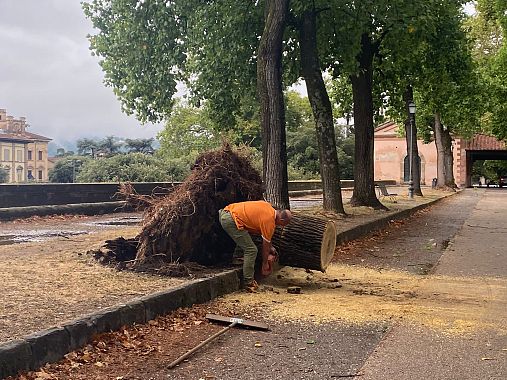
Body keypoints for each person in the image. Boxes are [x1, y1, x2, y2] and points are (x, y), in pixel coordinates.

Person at [219, 200, 292, 292]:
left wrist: (271, 247)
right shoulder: (269, 221)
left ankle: (238, 258)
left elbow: (267, 239)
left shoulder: (267, 206)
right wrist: (265, 263)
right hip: (230, 220)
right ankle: (248, 283)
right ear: (281, 220)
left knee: (246, 238)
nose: (281, 227)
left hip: (228, 212)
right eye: (283, 225)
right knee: (251, 250)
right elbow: (265, 246)